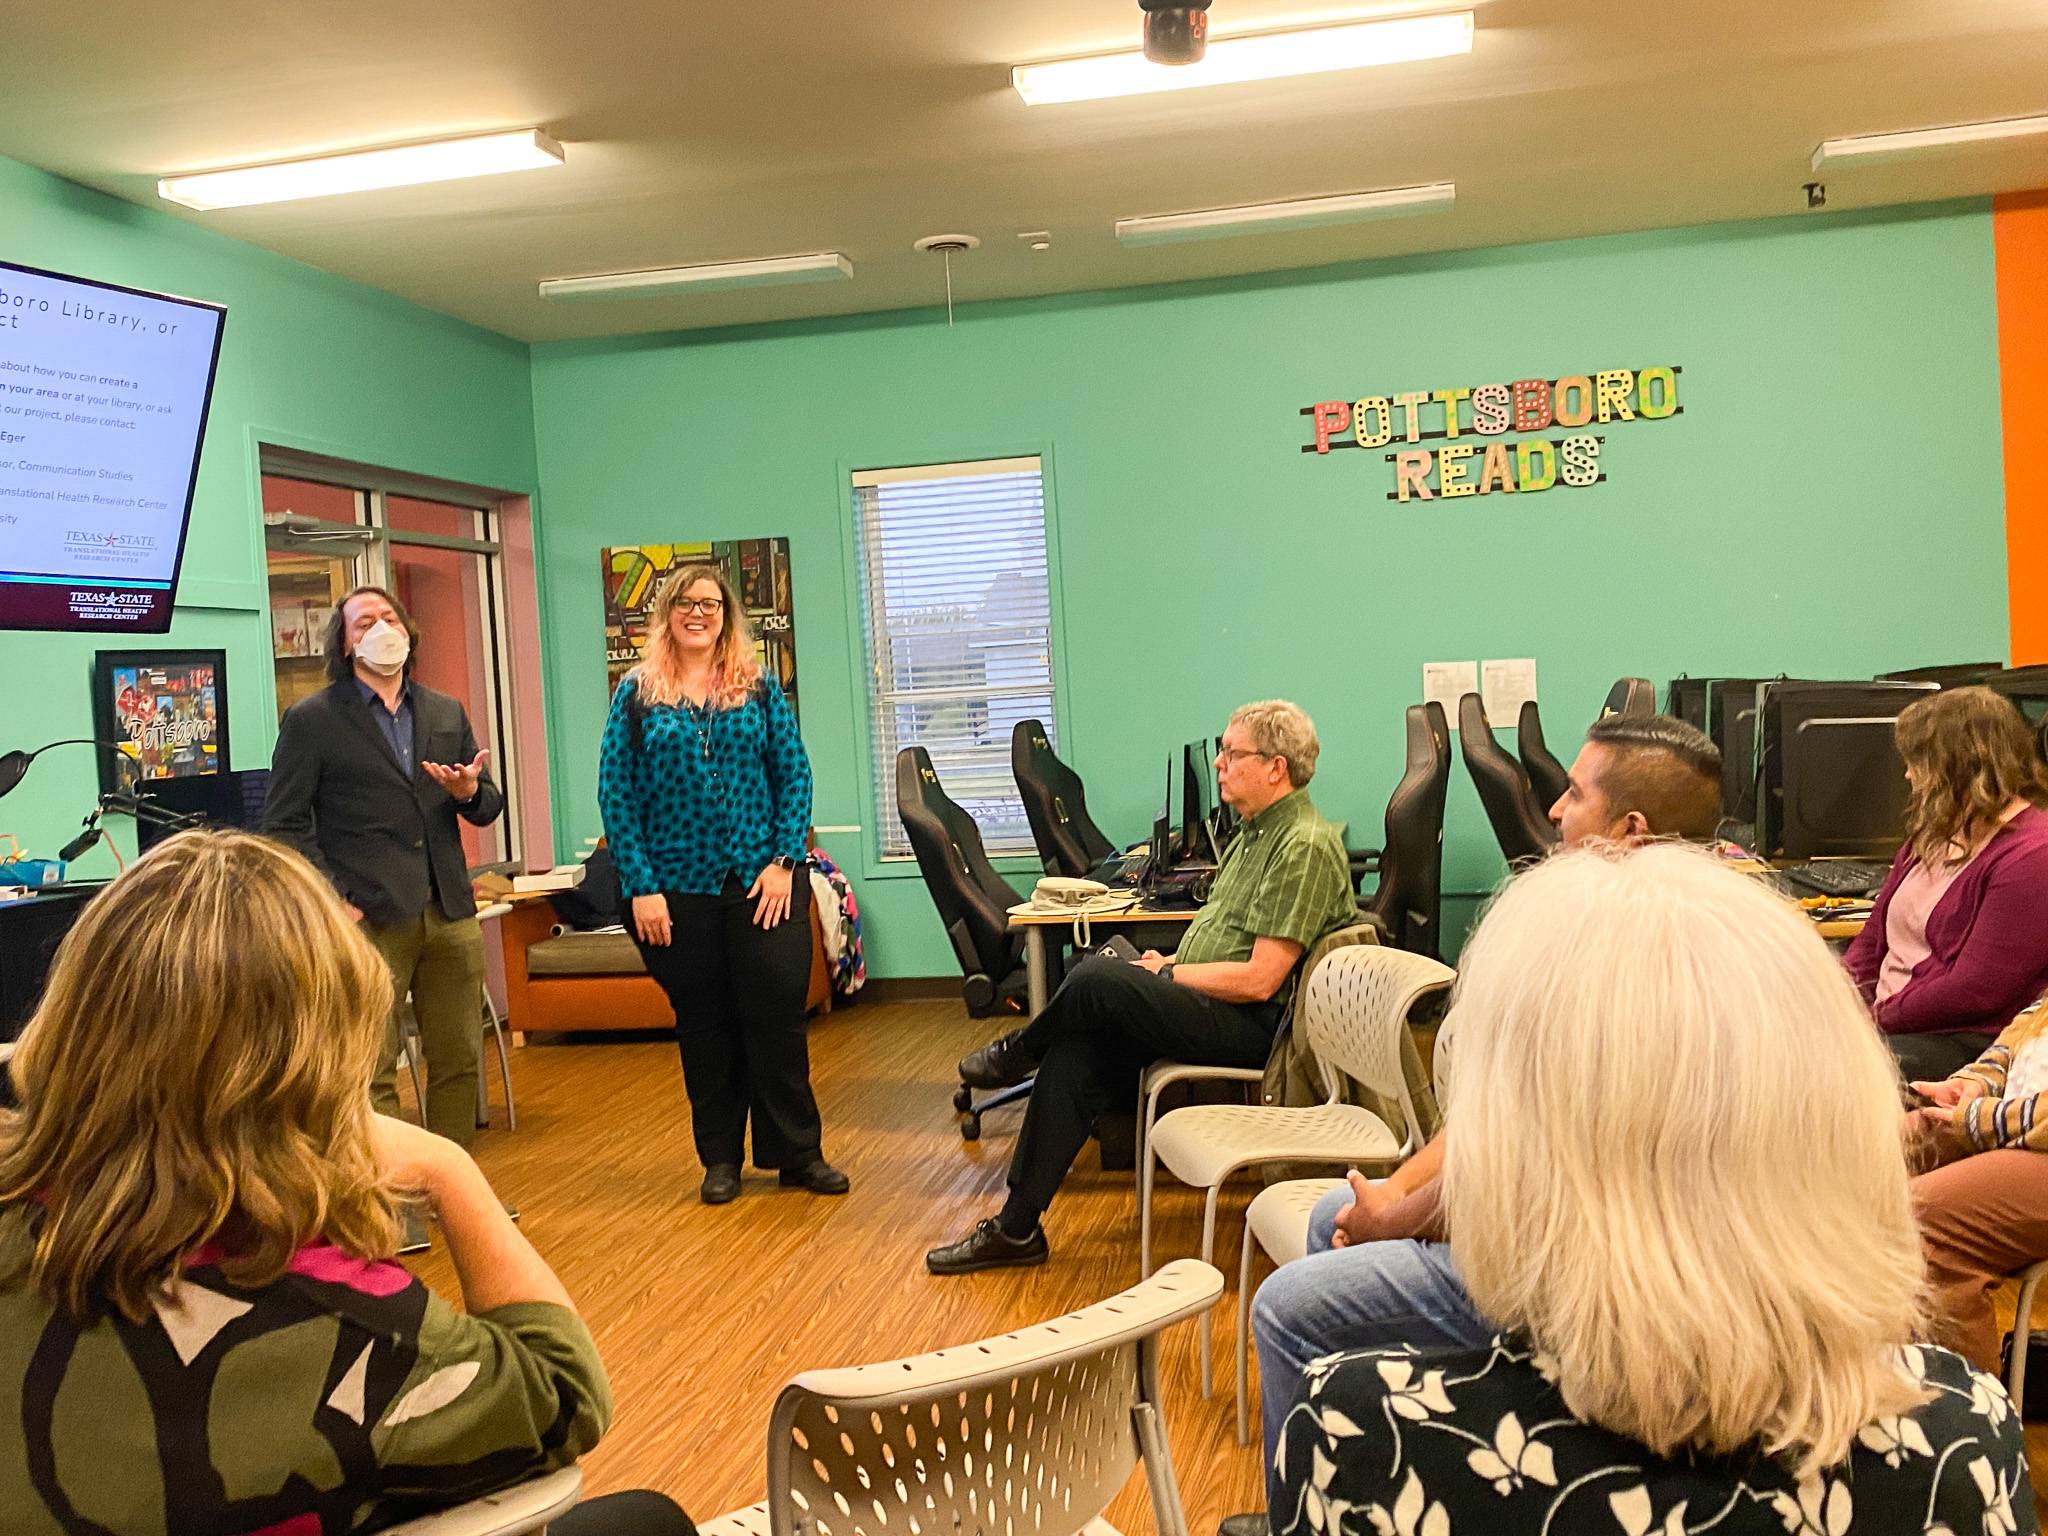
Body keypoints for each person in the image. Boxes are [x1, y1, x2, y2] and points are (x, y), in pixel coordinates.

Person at [1270, 843, 2028, 1536]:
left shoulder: (1360, 1432)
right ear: (1844, 1122)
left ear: (1507, 1156)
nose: (1557, 808)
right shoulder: (1967, 1434)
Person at [0, 831, 692, 1535]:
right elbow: (562, 1390)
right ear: (315, 1063)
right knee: (646, 1523)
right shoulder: (351, 1330)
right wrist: (446, 1168)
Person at [1236, 714, 1724, 1522]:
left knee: (1288, 1308)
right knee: (1338, 1215)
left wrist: (1404, 1216)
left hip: (1601, 1272)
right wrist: (1391, 1199)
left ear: (1630, 832)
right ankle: (1385, 1468)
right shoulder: (1711, 921)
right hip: (1597, 1226)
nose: (1555, 811)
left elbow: (1518, 1161)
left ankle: (1311, 1512)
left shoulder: (1616, 963)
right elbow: (1498, 1126)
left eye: (1573, 793)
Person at [927, 699, 1356, 1275]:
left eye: (1234, 753)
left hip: (1260, 1029)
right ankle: (1017, 1226)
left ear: (1276, 767)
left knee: (1098, 976)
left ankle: (1020, 1052)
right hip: (1213, 1002)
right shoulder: (1256, 836)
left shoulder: (1300, 845)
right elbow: (1224, 938)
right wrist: (1169, 958)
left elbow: (1261, 980)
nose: (1222, 763)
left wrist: (1166, 975)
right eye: (1223, 752)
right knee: (1082, 1046)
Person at [263, 584, 506, 1243]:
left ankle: (454, 1196)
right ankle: (384, 1202)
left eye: (389, 616)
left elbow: (485, 805)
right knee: (371, 1068)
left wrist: (470, 791)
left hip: (448, 907)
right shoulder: (313, 719)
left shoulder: (444, 708)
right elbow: (283, 824)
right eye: (364, 621)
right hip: (366, 918)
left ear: (409, 630)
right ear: (345, 643)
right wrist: (329, 896)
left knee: (459, 1057)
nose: (380, 628)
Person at [597, 564, 843, 1206]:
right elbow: (615, 794)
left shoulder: (757, 686)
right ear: (666, 614)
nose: (697, 612)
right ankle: (720, 1160)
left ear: (727, 615)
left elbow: (795, 776)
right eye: (684, 601)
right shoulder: (637, 692)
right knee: (705, 1026)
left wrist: (785, 860)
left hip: (762, 880)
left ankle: (798, 1154)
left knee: (777, 1017)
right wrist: (641, 884)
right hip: (674, 887)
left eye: (709, 602)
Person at [1840, 686, 2048, 1082]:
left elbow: (1974, 990)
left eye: (1918, 761)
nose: (1908, 774)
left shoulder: (2034, 854)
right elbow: (1871, 943)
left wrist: (1870, 1021)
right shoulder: (1935, 833)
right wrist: (1833, 997)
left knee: (1817, 1074)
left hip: (1960, 1040)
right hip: (1894, 1023)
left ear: (1963, 764)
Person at [1906, 1004, 2048, 1375]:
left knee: (1922, 1217)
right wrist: (1975, 1081)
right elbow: (2025, 1029)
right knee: (1849, 1161)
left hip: (2032, 1138)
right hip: (2008, 1120)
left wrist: (1978, 1118)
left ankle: (1958, 1423)